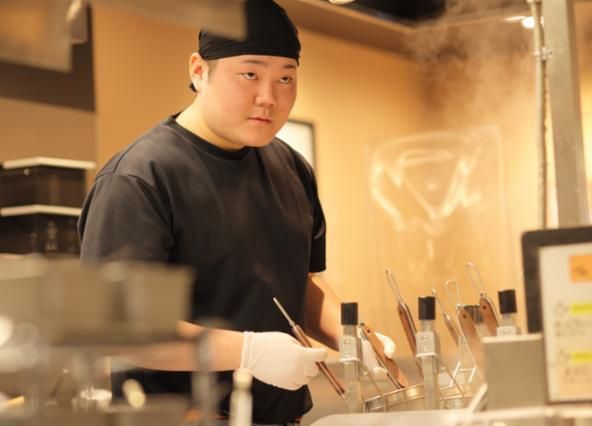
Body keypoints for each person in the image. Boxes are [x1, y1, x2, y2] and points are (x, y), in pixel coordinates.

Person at [78, 1, 395, 424]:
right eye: (250, 74)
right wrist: (250, 351)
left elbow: (302, 283)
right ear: (198, 71)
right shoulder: (141, 176)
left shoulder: (291, 166)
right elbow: (118, 329)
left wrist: (353, 337)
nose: (269, 97)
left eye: (285, 78)